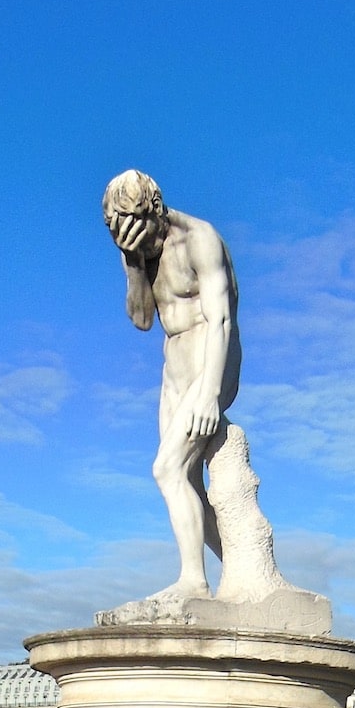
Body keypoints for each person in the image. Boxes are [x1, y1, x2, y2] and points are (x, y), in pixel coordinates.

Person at [103, 169, 242, 610]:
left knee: (167, 469)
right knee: (187, 482)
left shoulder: (201, 238)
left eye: (138, 231)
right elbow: (143, 320)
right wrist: (132, 266)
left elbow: (221, 319)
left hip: (211, 355)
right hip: (174, 363)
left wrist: (209, 392)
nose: (135, 242)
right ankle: (243, 565)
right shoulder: (137, 251)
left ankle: (193, 581)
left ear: (156, 211)